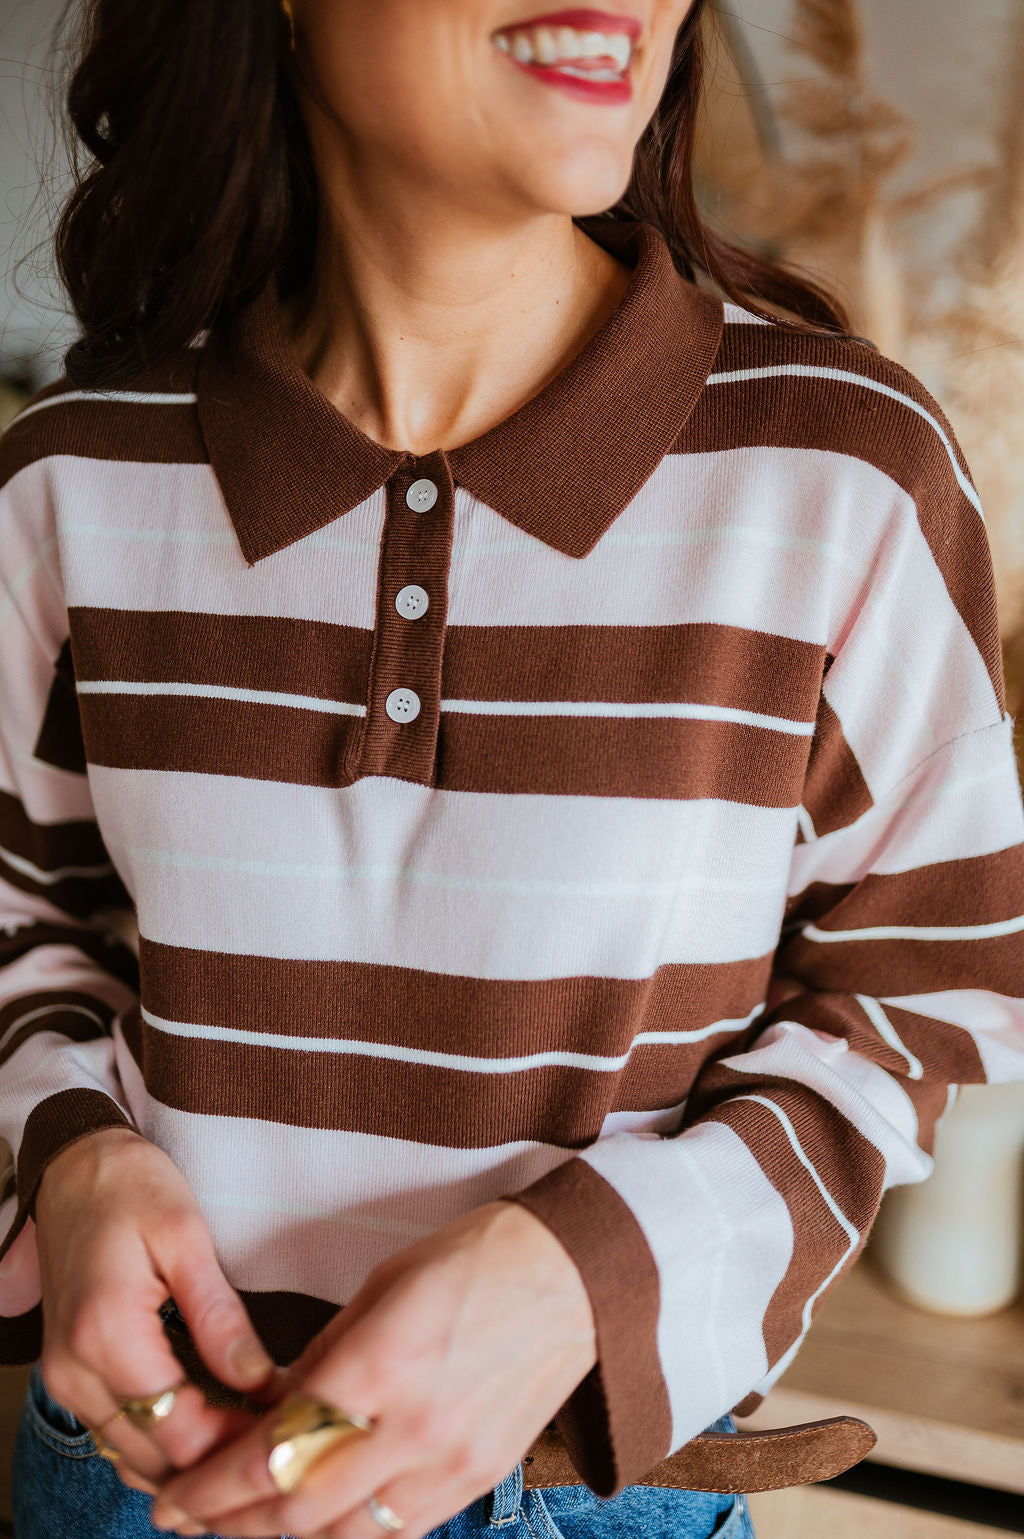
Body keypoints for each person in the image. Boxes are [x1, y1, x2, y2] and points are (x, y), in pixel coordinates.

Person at [1, 1, 1023, 1537]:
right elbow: (24, 915)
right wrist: (69, 1158)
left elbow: (931, 995)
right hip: (128, 1471)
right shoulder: (73, 474)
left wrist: (579, 1278)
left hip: (598, 1488)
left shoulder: (846, 472)